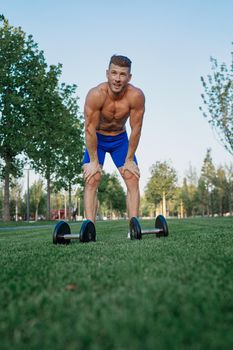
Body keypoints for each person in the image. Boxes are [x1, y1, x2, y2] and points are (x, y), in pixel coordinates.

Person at [83, 54, 145, 223]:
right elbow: (89, 130)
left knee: (132, 177)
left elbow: (136, 129)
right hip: (98, 140)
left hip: (120, 140)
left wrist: (130, 159)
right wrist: (94, 161)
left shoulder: (135, 96)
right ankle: (90, 228)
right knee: (92, 178)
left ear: (129, 77)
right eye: (114, 73)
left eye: (122, 74)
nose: (117, 79)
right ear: (107, 73)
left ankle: (134, 227)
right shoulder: (96, 95)